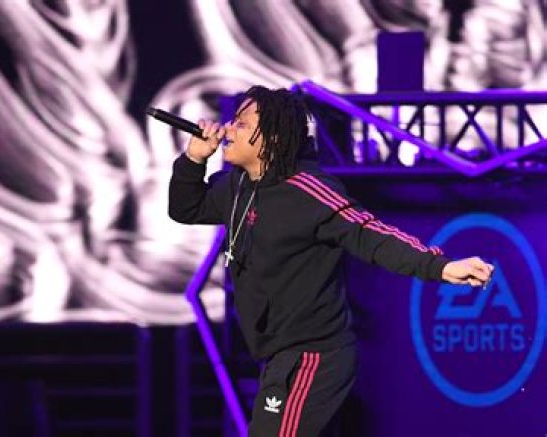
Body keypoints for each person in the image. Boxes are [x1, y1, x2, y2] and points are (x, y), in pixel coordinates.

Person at [167, 85, 494, 436]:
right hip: (279, 356)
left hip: (314, 356)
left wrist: (440, 266)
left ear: (272, 139)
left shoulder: (308, 191)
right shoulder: (236, 187)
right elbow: (186, 208)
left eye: (242, 124)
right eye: (233, 121)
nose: (228, 129)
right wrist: (193, 160)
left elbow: (370, 233)